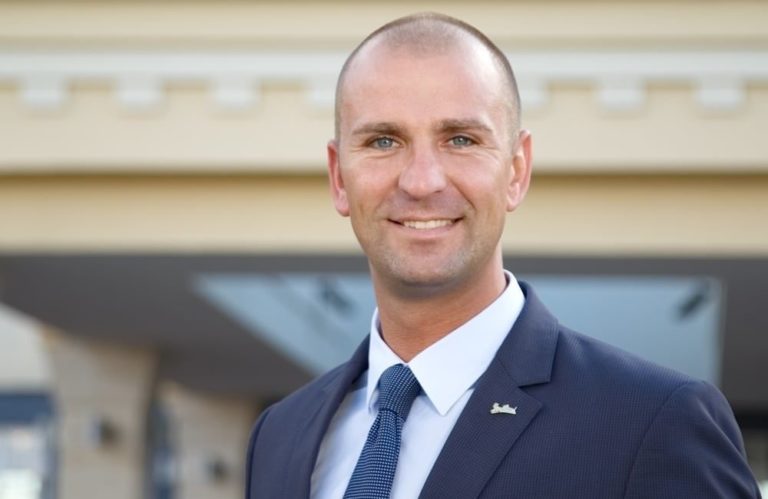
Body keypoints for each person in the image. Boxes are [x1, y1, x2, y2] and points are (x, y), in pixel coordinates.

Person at [245, 12, 760, 498]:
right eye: (383, 141)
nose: (422, 181)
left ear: (516, 170)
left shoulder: (654, 422)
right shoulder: (280, 434)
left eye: (460, 139)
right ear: (339, 176)